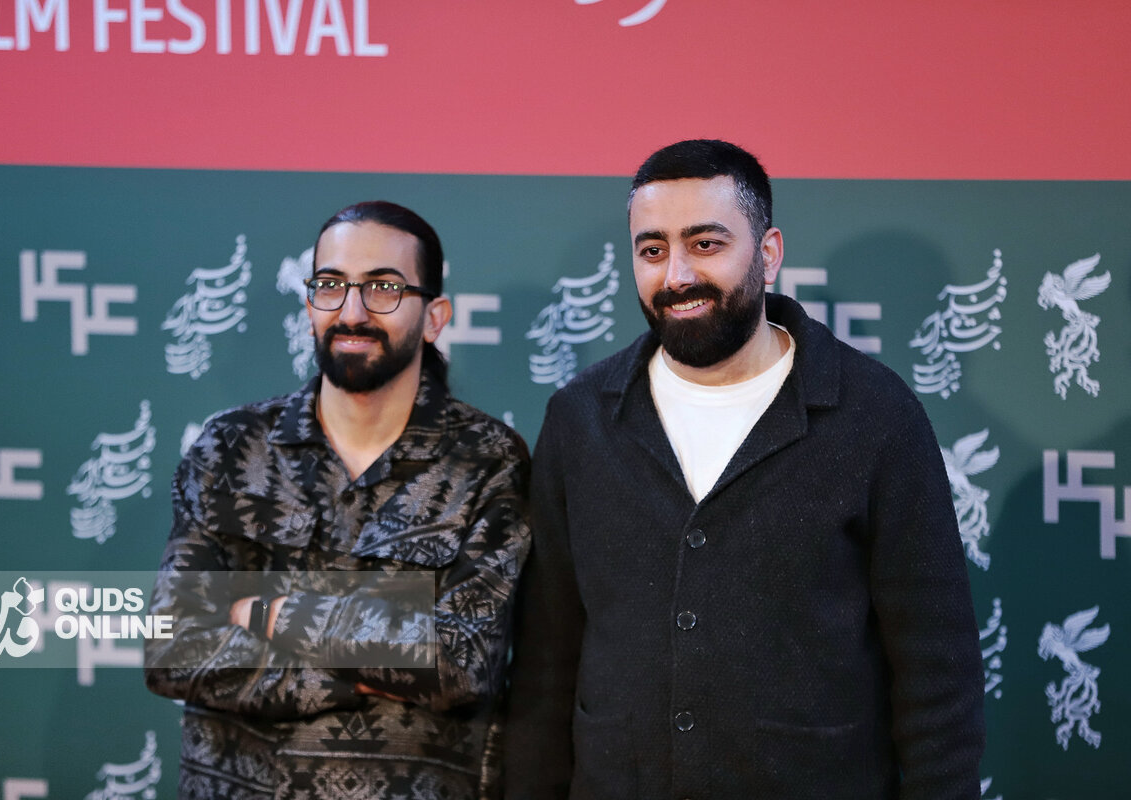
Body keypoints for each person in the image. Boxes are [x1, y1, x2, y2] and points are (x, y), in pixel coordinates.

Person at [503, 139, 985, 799]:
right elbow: (547, 664)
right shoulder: (580, 418)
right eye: (652, 250)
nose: (677, 275)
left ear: (769, 252)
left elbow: (937, 669)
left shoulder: (875, 415)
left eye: (706, 244)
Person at [145, 200, 531, 800]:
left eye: (383, 288)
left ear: (434, 317)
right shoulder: (230, 446)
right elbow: (173, 647)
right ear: (309, 306)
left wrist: (272, 615)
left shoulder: (486, 459)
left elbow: (461, 663)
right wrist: (363, 671)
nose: (352, 312)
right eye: (330, 285)